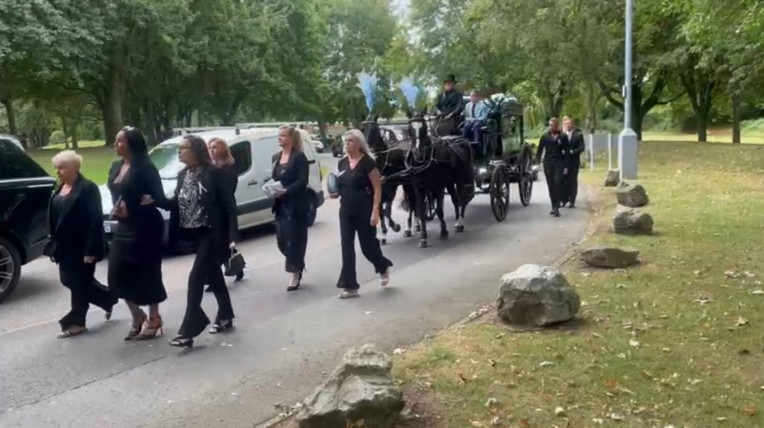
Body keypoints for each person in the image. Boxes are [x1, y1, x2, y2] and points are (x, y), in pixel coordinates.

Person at [143, 135, 238, 348]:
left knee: (196, 278)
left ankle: (189, 329)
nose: (180, 152)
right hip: (196, 233)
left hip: (213, 233)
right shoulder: (183, 174)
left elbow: (229, 205)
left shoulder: (214, 173)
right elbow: (177, 203)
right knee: (214, 276)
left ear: (196, 150)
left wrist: (232, 236)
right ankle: (226, 314)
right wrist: (155, 200)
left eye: (184, 148)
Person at [46, 150, 118, 338]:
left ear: (74, 168)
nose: (57, 171)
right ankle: (108, 298)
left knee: (78, 283)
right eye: (56, 168)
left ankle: (77, 323)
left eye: (62, 168)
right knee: (71, 280)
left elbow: (95, 220)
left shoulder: (87, 188)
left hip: (83, 246)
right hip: (64, 247)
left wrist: (91, 251)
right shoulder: (61, 187)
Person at [107, 127, 168, 341]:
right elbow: (115, 193)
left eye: (120, 141)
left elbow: (160, 199)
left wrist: (139, 206)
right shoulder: (116, 166)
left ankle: (154, 317)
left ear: (132, 144)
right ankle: (136, 314)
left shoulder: (146, 168)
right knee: (116, 273)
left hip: (146, 225)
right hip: (124, 225)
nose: (116, 145)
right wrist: (118, 209)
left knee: (148, 272)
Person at [330, 129, 392, 299]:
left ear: (359, 144)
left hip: (364, 210)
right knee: (346, 247)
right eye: (345, 140)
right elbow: (340, 184)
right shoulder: (342, 163)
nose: (346, 143)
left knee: (368, 247)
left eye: (350, 140)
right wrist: (335, 192)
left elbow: (377, 188)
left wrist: (375, 212)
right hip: (346, 211)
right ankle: (350, 286)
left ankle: (382, 266)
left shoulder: (368, 163)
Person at [271, 126, 310, 291]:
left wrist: (287, 190)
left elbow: (303, 180)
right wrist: (272, 189)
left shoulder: (299, 157)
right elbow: (275, 178)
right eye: (278, 136)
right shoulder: (276, 157)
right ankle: (297, 262)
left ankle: (295, 272)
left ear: (292, 138)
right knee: (281, 241)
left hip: (295, 205)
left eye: (283, 136)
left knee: (294, 240)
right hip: (280, 205)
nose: (279, 138)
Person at [204, 137, 243, 293]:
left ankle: (214, 279)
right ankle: (237, 266)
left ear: (223, 150)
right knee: (222, 245)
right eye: (210, 147)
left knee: (222, 243)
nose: (212, 150)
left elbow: (227, 191)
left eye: (215, 147)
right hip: (212, 211)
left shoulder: (228, 168)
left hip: (225, 209)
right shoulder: (209, 167)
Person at [535, 118, 569, 217]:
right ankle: (554, 206)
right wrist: (537, 162)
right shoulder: (545, 136)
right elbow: (540, 150)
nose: (552, 127)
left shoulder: (563, 136)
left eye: (553, 125)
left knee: (557, 182)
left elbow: (567, 151)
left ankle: (557, 203)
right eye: (550, 125)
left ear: (557, 126)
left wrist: (566, 166)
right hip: (548, 162)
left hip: (559, 161)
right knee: (551, 185)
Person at [561, 116, 585, 208]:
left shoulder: (578, 135)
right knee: (563, 180)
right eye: (566, 124)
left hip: (573, 162)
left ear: (573, 125)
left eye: (569, 124)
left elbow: (582, 147)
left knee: (572, 181)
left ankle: (572, 200)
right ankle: (564, 199)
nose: (568, 125)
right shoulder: (562, 135)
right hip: (563, 162)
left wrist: (573, 151)